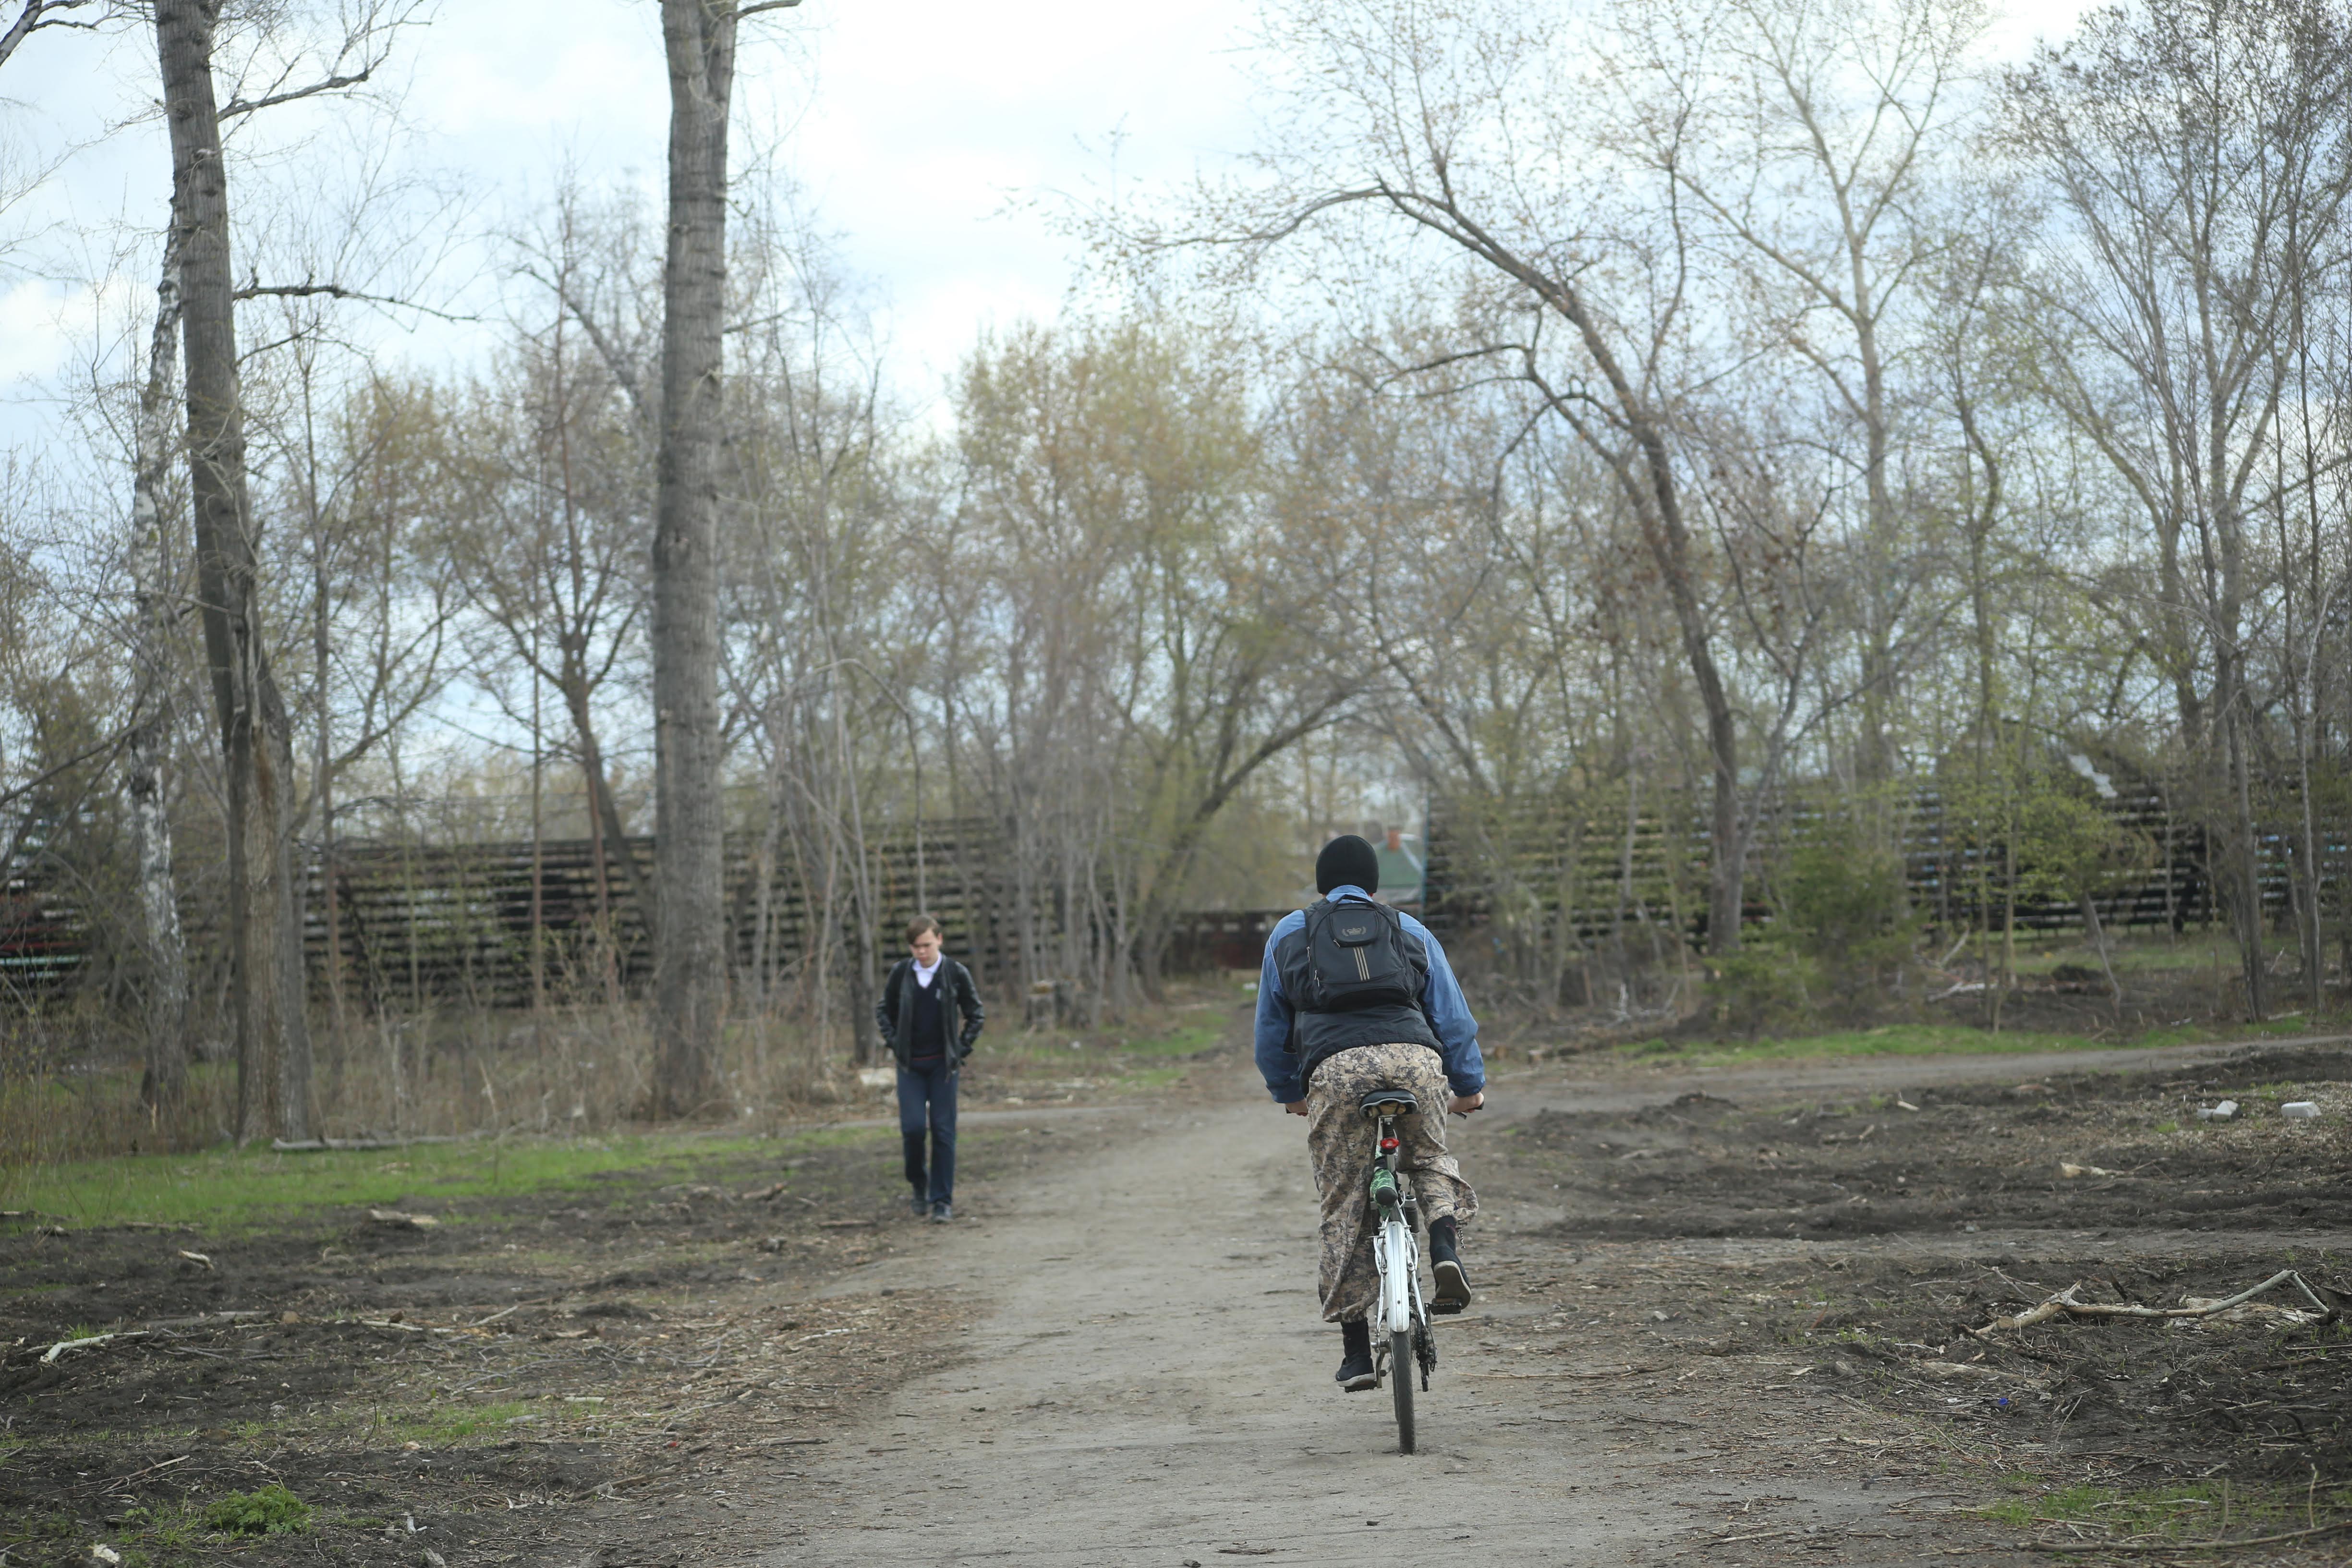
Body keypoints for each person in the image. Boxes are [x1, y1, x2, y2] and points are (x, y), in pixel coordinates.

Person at [1253, 834, 1485, 1391]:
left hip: (1336, 1071)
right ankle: (1444, 1248)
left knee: (1345, 1198)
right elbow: (1452, 1018)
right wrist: (1469, 1087)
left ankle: (1356, 1350)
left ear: (1320, 884)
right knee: (1428, 1158)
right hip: (1413, 1061)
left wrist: (1289, 1092)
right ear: (1374, 885)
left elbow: (1269, 1029)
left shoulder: (1289, 933)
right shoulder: (1409, 929)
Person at [875, 916, 985, 1222]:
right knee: (912, 1129)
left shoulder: (955, 973)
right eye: (915, 947)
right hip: (911, 1066)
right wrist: (896, 1043)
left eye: (926, 945)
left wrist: (961, 1049)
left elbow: (976, 1014)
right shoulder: (902, 974)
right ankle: (919, 1184)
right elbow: (884, 1011)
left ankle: (942, 1202)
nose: (921, 952)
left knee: (943, 1131)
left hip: (943, 1067)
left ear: (939, 939)